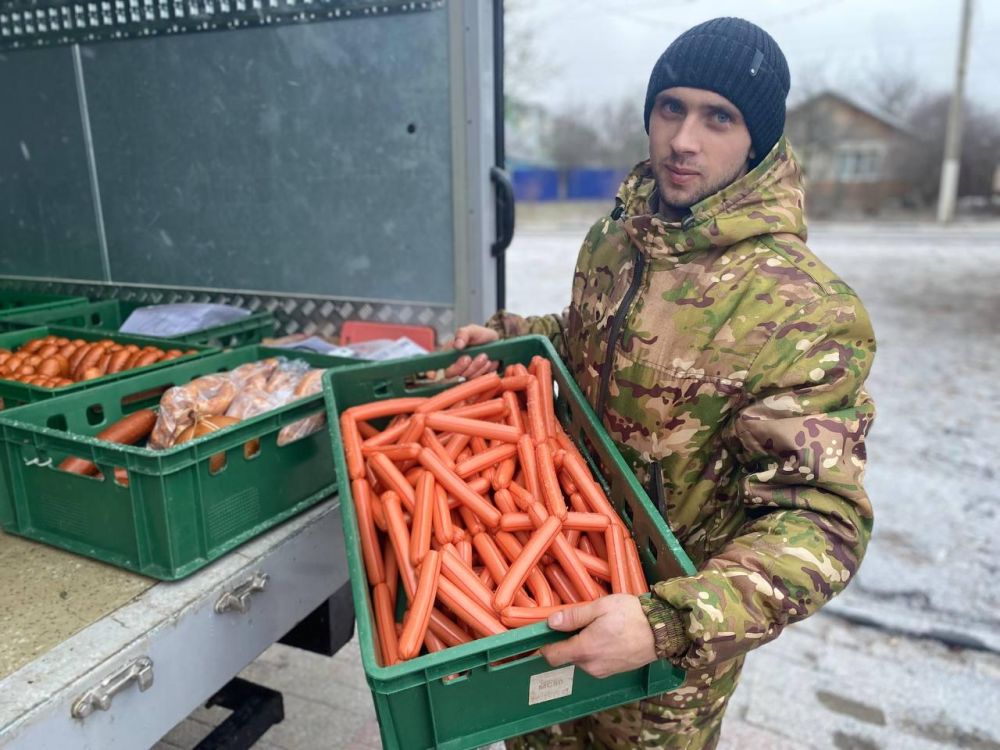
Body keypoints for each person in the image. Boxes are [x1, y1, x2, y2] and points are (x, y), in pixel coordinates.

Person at [444, 16, 877, 750]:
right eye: (671, 107)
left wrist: (668, 622)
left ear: (758, 139)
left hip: (662, 664)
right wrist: (521, 337)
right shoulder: (619, 237)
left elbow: (821, 524)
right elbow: (589, 335)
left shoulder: (805, 310)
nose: (683, 138)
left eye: (719, 117)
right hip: (549, 583)